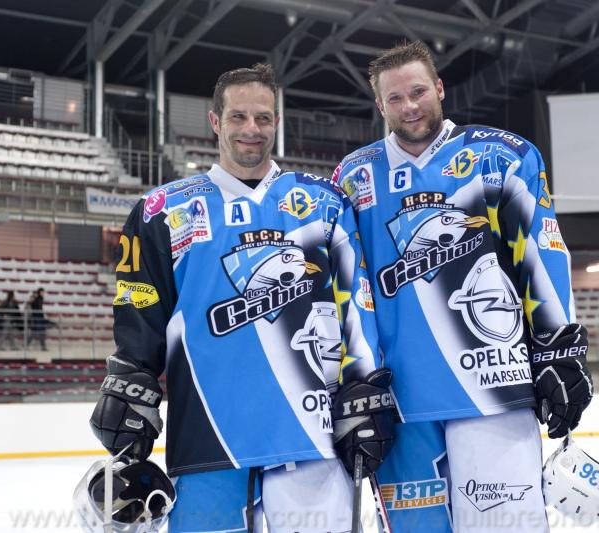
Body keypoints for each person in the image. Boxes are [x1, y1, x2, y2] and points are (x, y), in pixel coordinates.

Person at [87, 64, 395, 533]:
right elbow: (139, 316)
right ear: (215, 121)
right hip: (206, 440)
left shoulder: (326, 203)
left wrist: (364, 386)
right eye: (238, 117)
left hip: (311, 437)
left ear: (277, 122)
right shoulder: (162, 212)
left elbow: (356, 303)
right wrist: (130, 383)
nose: (252, 129)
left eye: (263, 118)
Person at [332, 41, 593, 533]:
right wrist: (356, 380)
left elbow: (541, 253)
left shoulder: (502, 155)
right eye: (395, 98)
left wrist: (558, 348)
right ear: (380, 105)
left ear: (439, 88)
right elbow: (351, 287)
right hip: (399, 402)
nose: (409, 106)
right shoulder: (353, 177)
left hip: (495, 388)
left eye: (418, 92)